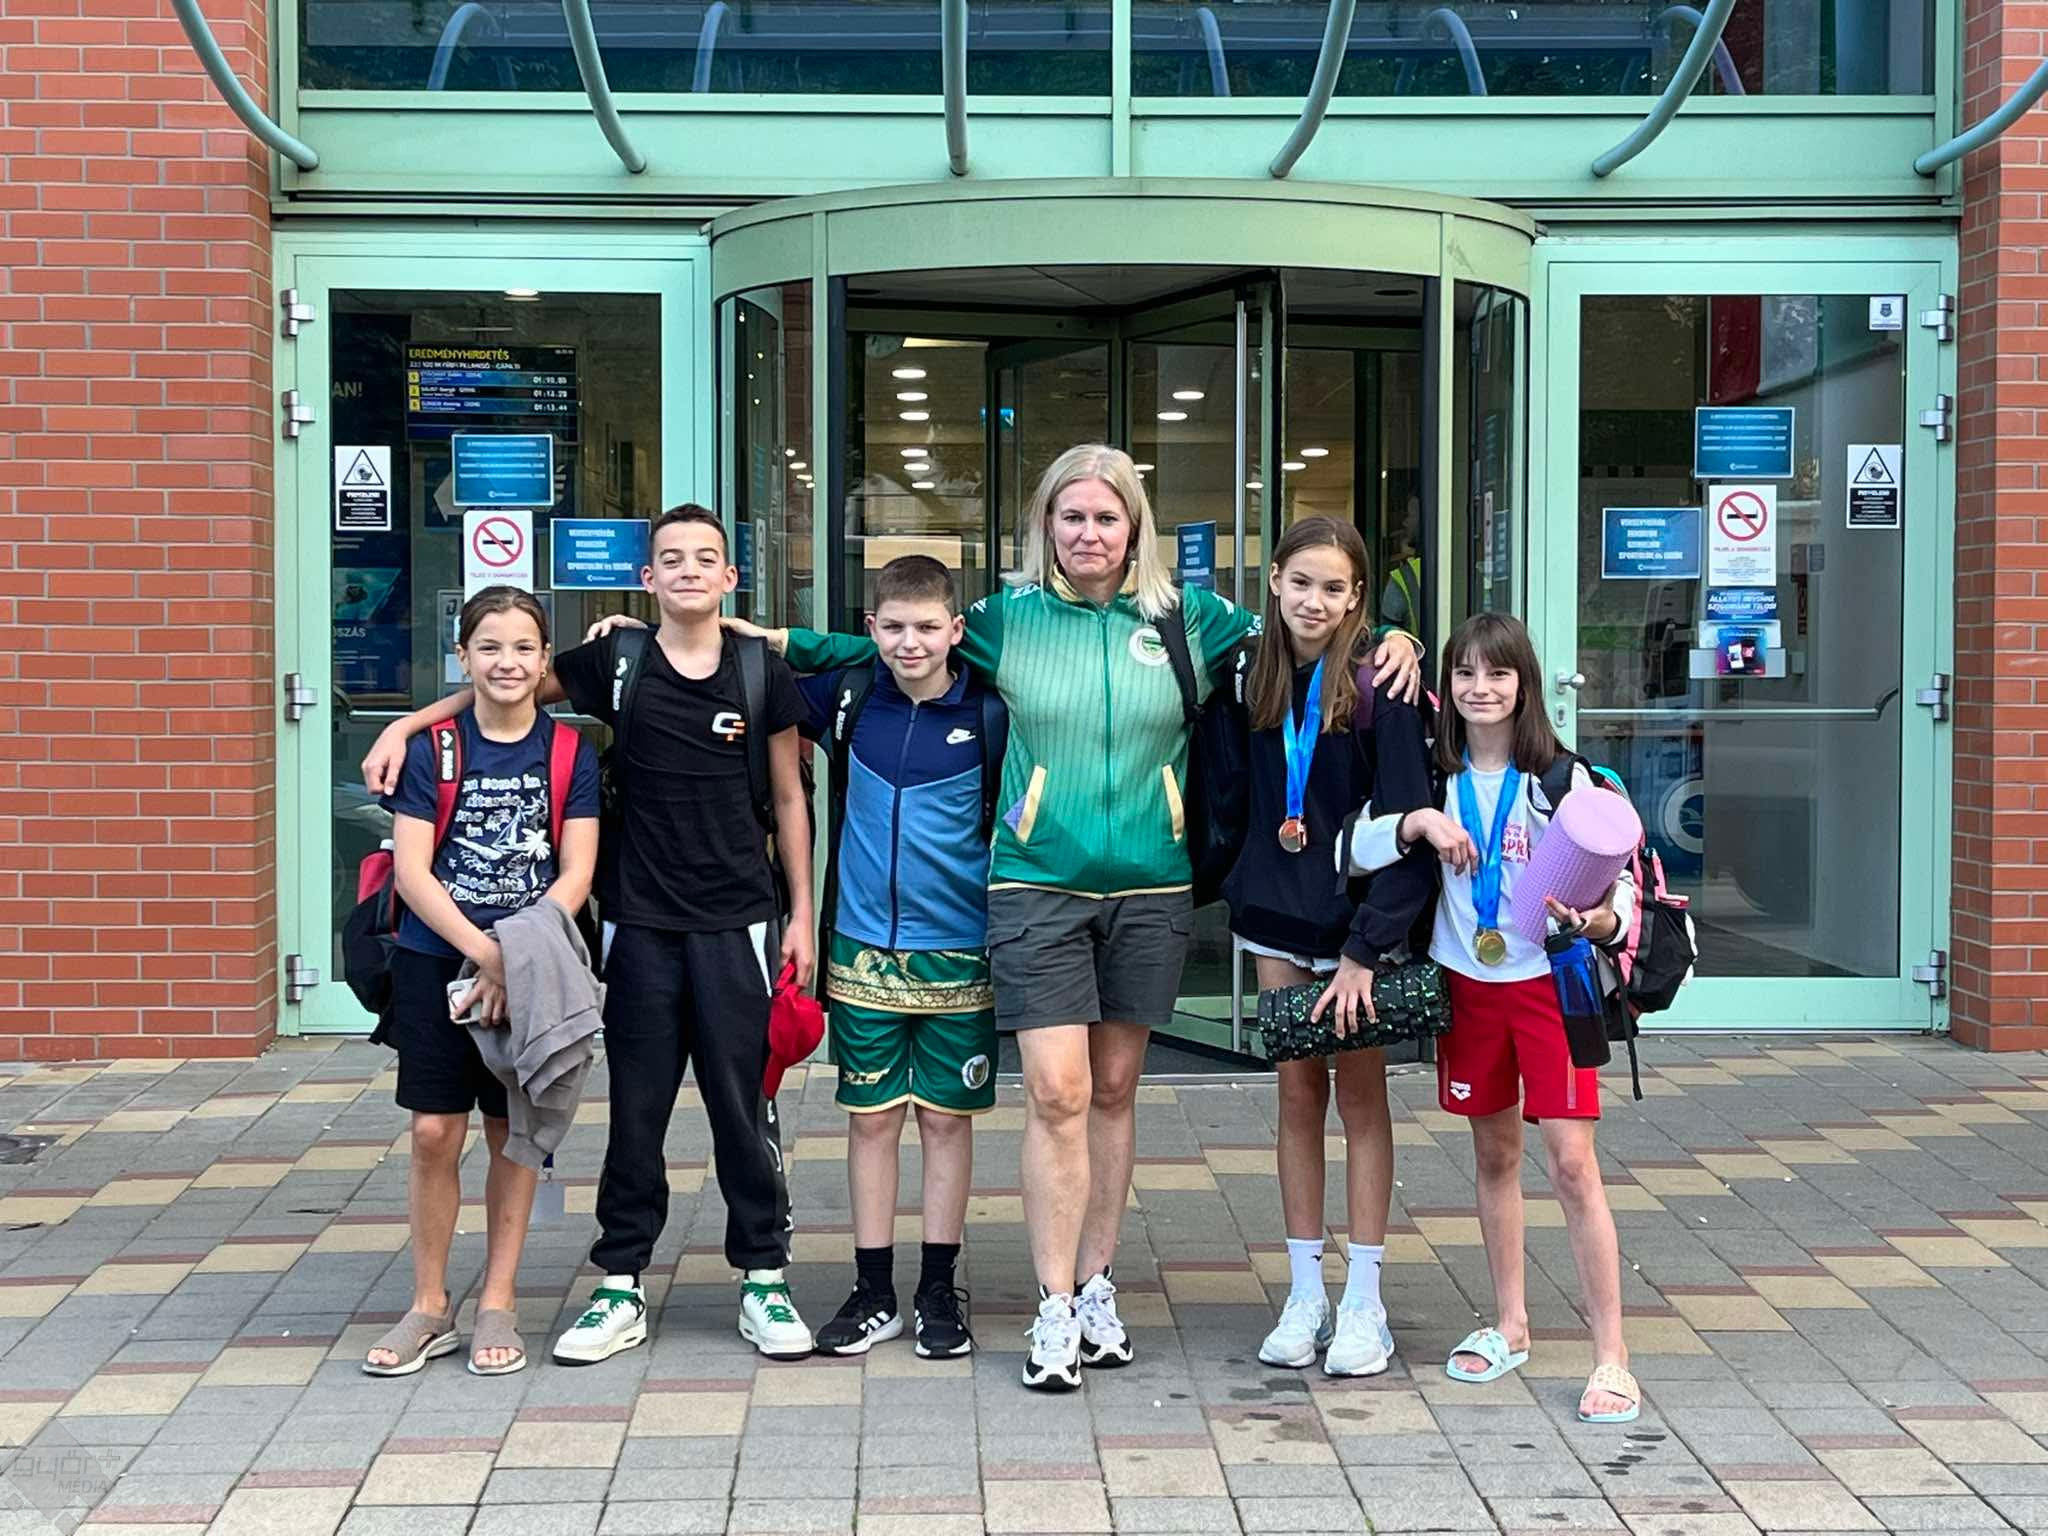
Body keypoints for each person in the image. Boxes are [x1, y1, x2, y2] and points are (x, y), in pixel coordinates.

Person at [705, 445, 1423, 1391]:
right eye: (1072, 516)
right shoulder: (1004, 619)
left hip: (1151, 887)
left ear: (1134, 528)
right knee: (1057, 1092)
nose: (1089, 534)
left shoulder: (1191, 620)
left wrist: (1396, 639)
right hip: (1035, 883)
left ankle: (1095, 1287)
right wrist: (741, 634)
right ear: (1047, 524)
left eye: (1107, 517)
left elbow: (1307, 625)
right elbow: (887, 644)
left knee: (1116, 1091)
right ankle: (1051, 1305)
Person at [361, 506, 819, 1365]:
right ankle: (620, 1282)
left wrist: (800, 915)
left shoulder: (763, 669)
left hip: (740, 921)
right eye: (671, 559)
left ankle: (763, 1274)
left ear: (730, 577)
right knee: (635, 1113)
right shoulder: (617, 659)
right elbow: (506, 686)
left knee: (742, 1108)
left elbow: (790, 796)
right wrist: (406, 725)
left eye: (706, 558)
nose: (688, 570)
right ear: (647, 579)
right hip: (636, 923)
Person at [1343, 611, 1641, 1424]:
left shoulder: (1560, 779)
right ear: (1448, 685)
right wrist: (1415, 823)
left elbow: (1618, 884)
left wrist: (1599, 921)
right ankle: (1511, 1323)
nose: (1481, 689)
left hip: (1548, 987)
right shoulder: (1431, 776)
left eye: (1498, 673)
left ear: (1524, 684)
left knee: (1572, 1164)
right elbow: (1356, 850)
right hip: (1468, 984)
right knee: (1494, 1154)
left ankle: (1612, 1356)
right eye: (1465, 673)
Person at [1217, 518, 1436, 1379]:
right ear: (1274, 579)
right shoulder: (1248, 671)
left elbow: (1410, 824)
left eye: (1334, 588)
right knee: (1297, 1097)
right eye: (1301, 582)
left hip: (1356, 926)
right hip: (1277, 916)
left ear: (1357, 598)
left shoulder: (1383, 680)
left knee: (1362, 1099)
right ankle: (1305, 1291)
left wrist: (1367, 949)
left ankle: (1365, 1300)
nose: (1314, 601)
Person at [363, 586, 600, 1379]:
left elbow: (576, 872)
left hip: (530, 961)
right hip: (439, 958)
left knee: (512, 1130)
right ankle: (429, 1303)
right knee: (435, 1130)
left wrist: (515, 954)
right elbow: (412, 871)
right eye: (490, 647)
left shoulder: (569, 753)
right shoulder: (432, 750)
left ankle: (499, 1297)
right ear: (462, 657)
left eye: (524, 648)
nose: (508, 662)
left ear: (545, 659)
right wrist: (485, 954)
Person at [790, 555, 1001, 1360]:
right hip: (862, 948)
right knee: (872, 1120)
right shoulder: (847, 696)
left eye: (927, 627)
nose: (910, 643)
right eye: (894, 627)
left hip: (962, 949)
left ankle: (938, 1288)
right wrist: (644, 635)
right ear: (871, 628)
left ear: (956, 630)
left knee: (946, 1120)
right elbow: (739, 672)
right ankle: (872, 1290)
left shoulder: (991, 711)